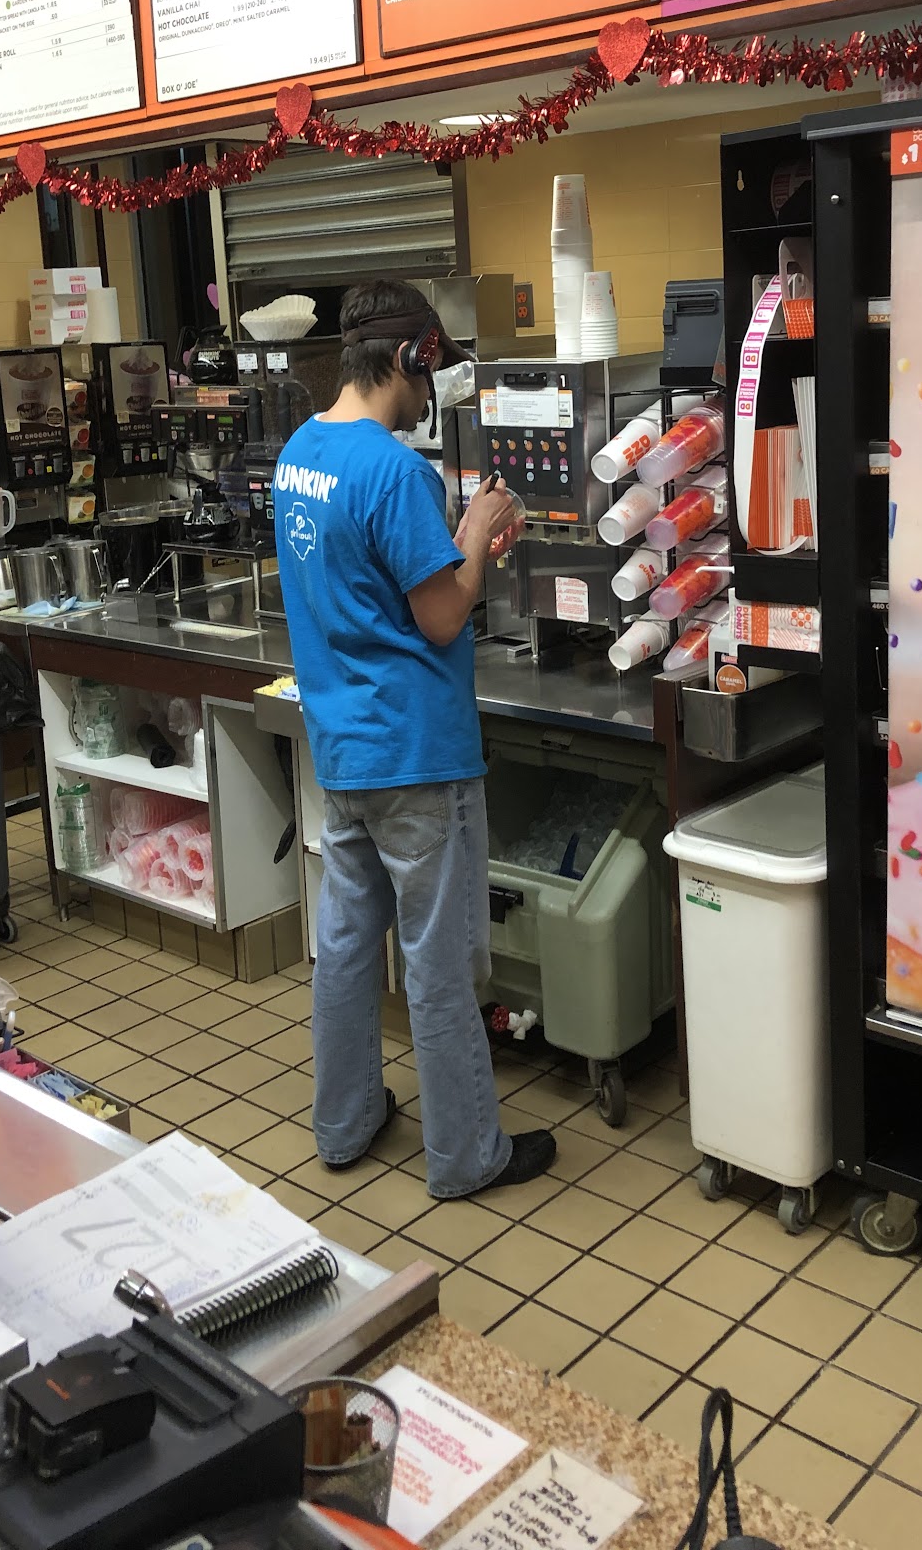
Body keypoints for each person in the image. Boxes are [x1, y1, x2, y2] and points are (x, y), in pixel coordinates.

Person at [272, 279, 557, 1198]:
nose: (430, 394)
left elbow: (371, 588)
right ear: (405, 358)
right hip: (418, 752)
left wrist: (456, 550)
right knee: (439, 962)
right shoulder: (396, 472)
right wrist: (477, 529)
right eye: (429, 373)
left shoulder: (300, 454)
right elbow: (440, 617)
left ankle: (345, 1123)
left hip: (344, 746)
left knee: (349, 946)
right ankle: (467, 1156)